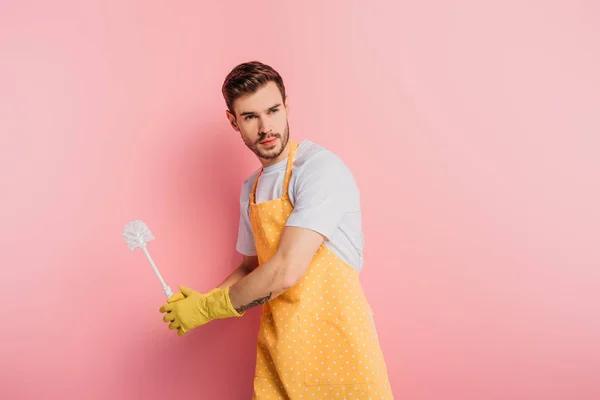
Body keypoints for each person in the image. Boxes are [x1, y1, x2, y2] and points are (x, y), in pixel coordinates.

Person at [159, 61, 394, 399]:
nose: (266, 126)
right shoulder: (250, 190)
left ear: (286, 106)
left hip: (340, 350)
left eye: (273, 110)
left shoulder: (319, 169)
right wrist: (202, 303)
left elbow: (285, 269)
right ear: (233, 121)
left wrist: (209, 308)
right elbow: (250, 268)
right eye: (251, 116)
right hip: (282, 352)